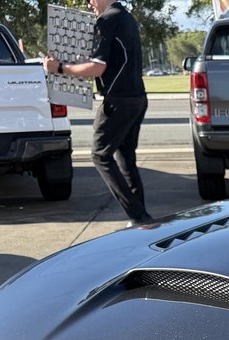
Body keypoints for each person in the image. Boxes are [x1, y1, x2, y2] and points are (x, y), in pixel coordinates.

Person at [44, 0, 151, 225]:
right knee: (125, 158)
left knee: (100, 155)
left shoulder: (106, 20)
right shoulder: (126, 17)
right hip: (137, 98)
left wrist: (59, 68)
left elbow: (97, 68)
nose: (89, 3)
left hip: (118, 100)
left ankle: (139, 216)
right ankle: (141, 218)